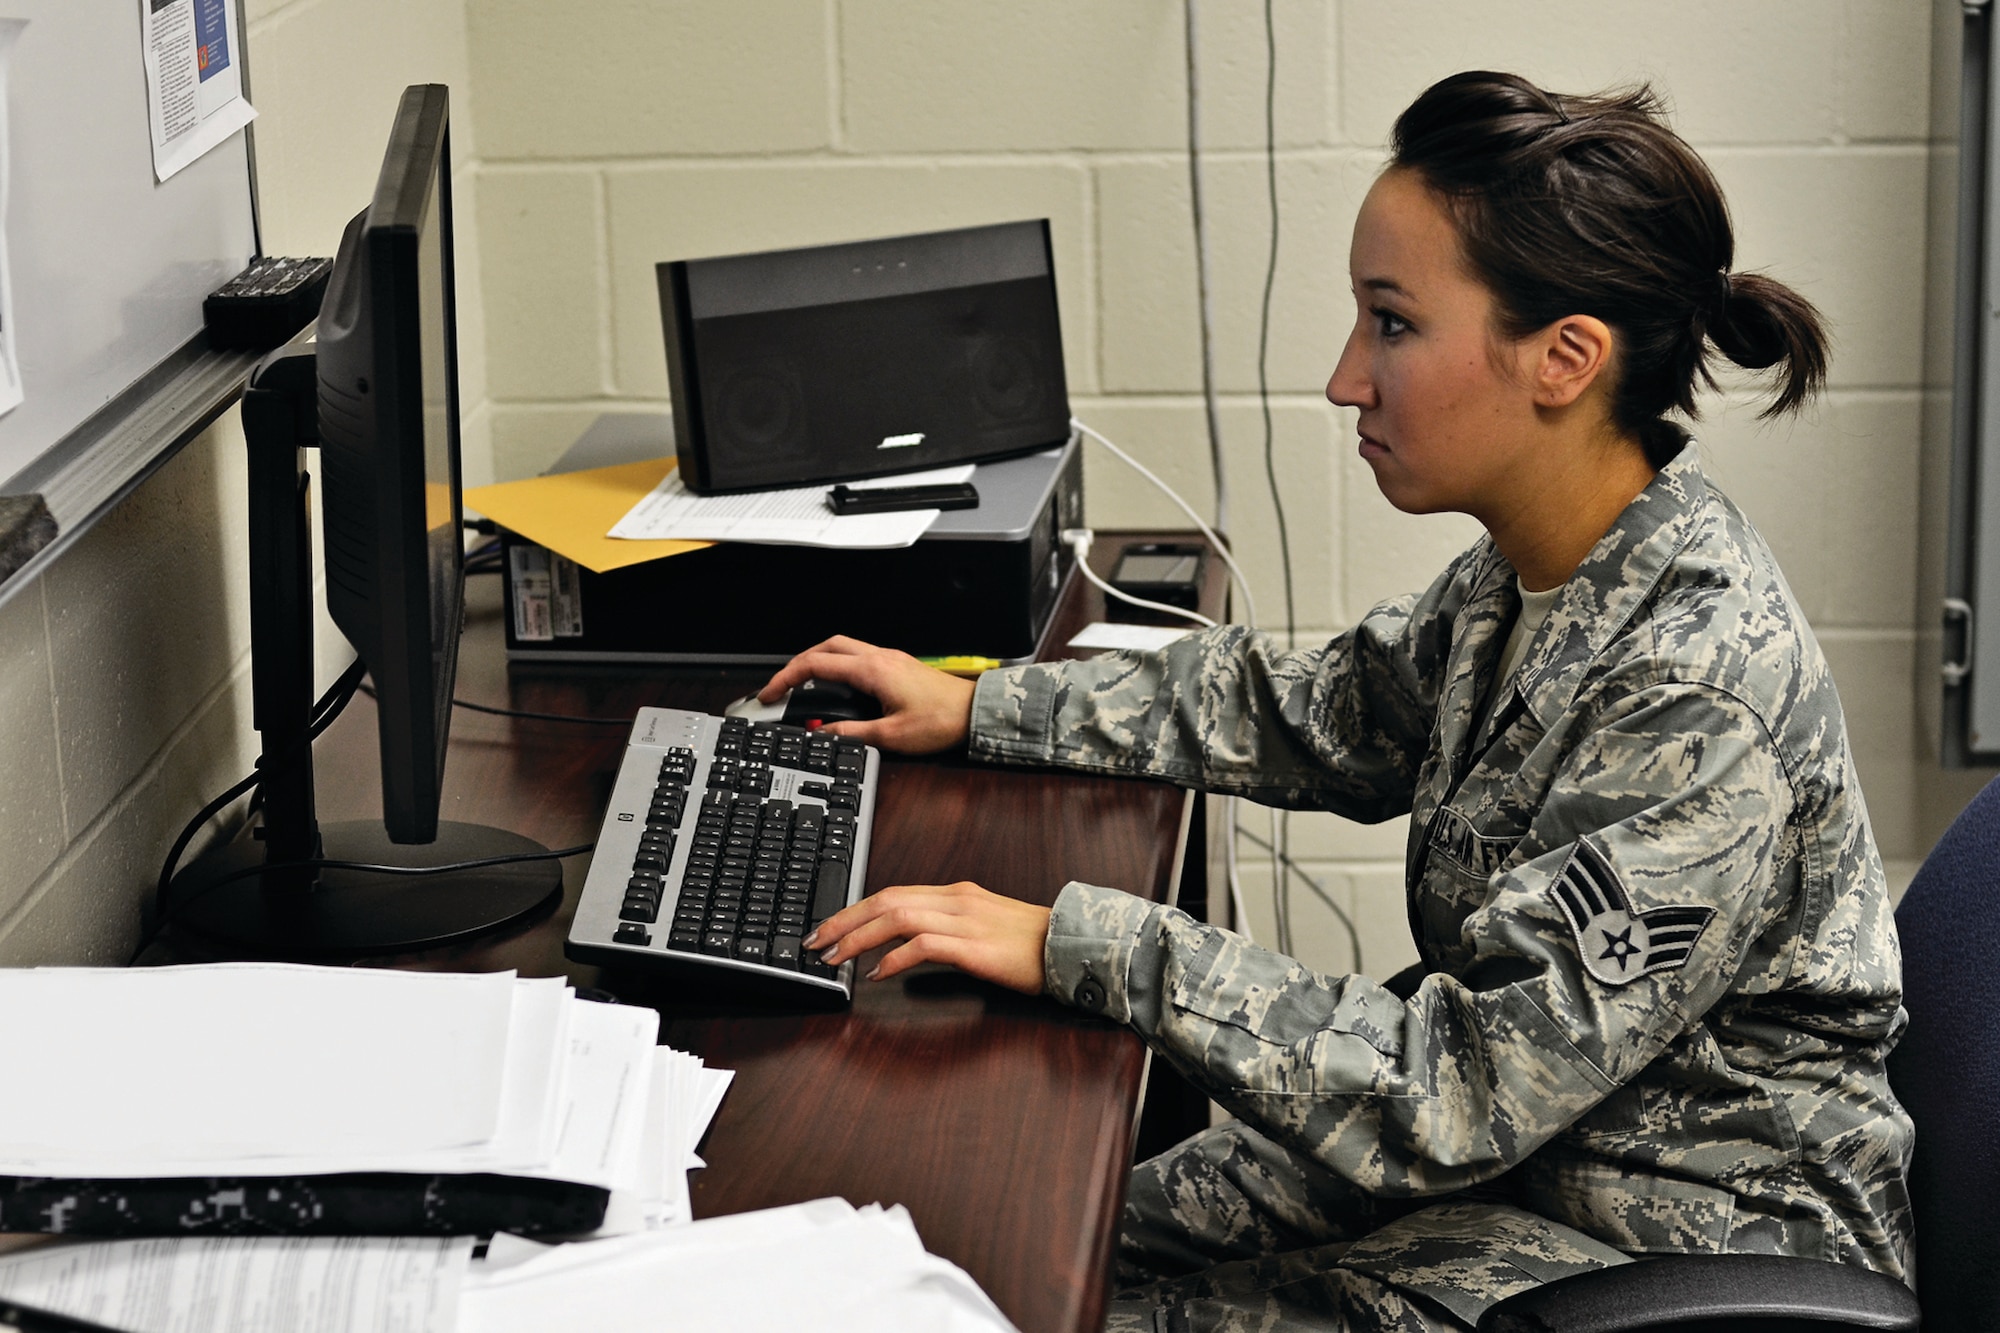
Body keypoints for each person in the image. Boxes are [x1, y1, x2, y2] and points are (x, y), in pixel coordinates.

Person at [758, 70, 1912, 1332]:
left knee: (1058, 1304)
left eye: (1392, 325)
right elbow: (1326, 712)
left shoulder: (1695, 690)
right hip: (1532, 1155)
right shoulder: (1542, 564)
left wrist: (1074, 943)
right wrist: (980, 707)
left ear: (1563, 359)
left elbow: (1456, 1092)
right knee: (1013, 1247)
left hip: (1667, 1242)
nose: (1344, 378)